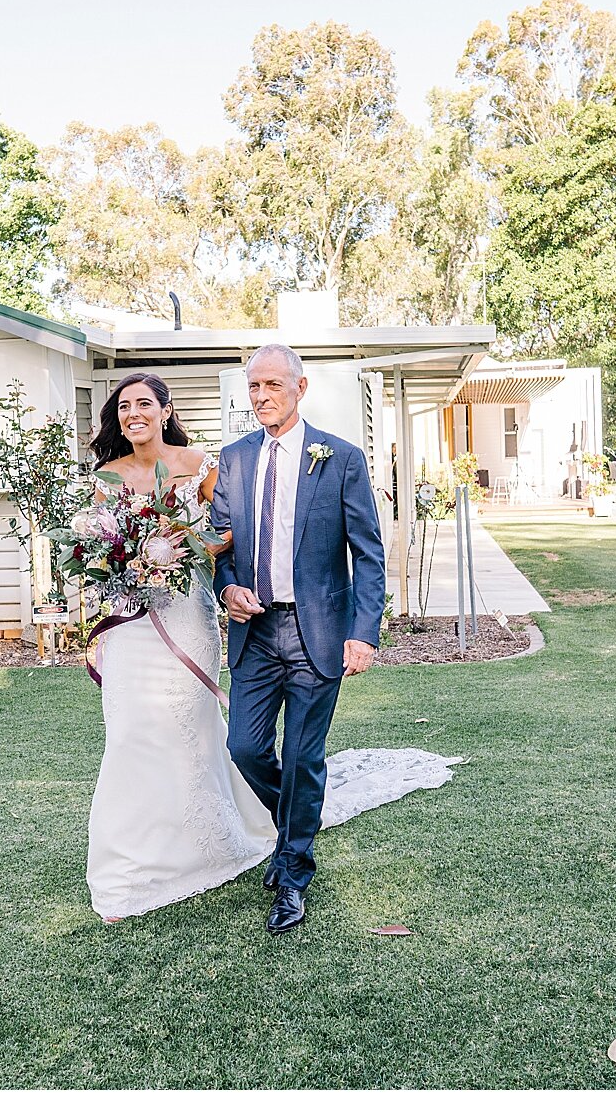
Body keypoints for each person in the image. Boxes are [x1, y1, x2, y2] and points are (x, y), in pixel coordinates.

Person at [84, 373, 276, 922]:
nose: (132, 414)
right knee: (128, 735)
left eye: (144, 403)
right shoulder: (105, 477)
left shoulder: (198, 465)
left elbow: (232, 527)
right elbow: (95, 548)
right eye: (124, 407)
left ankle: (203, 843)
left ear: (165, 411)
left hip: (186, 612)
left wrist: (182, 547)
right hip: (129, 620)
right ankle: (127, 865)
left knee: (186, 729)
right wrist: (124, 563)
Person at [211, 343, 387, 934]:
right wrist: (228, 588)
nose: (261, 397)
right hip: (255, 633)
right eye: (253, 387)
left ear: (299, 389)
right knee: (245, 748)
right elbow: (220, 547)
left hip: (319, 632)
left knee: (305, 757)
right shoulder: (232, 460)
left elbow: (368, 553)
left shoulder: (340, 458)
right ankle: (294, 829)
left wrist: (364, 634)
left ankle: (291, 873)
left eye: (272, 387)